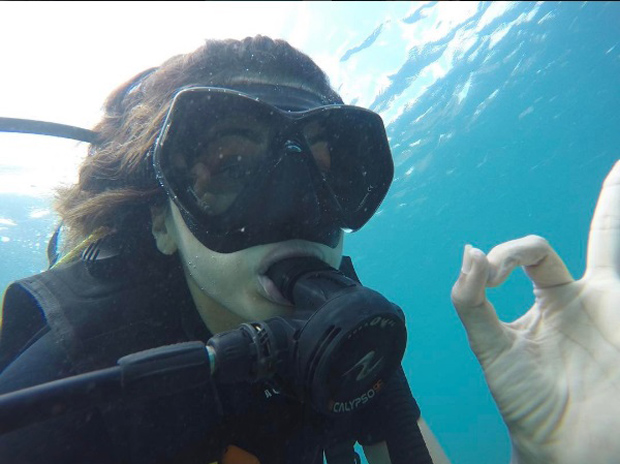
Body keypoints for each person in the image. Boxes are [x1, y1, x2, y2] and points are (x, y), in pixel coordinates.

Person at [0, 34, 618, 464]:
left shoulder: (346, 338)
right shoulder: (74, 374)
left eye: (328, 173)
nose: (297, 210)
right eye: (231, 167)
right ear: (162, 220)